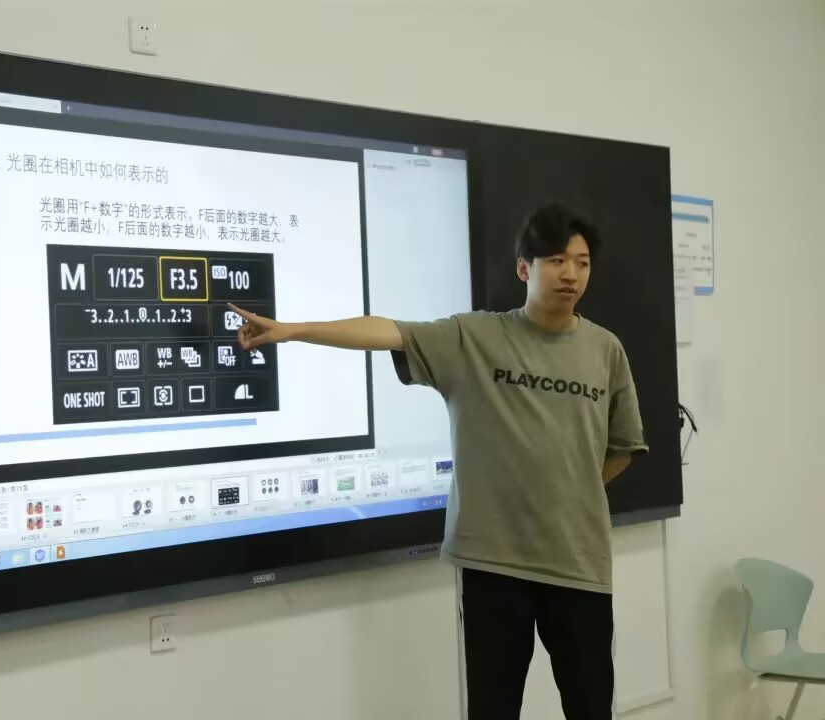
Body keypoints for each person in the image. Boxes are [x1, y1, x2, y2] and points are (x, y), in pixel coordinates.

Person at [228, 203, 647, 720]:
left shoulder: (606, 350)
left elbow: (622, 449)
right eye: (557, 260)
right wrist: (292, 330)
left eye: (582, 263)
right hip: (494, 564)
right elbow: (387, 331)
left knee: (591, 708)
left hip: (579, 564)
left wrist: (569, 492)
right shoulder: (474, 338)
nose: (571, 274)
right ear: (524, 268)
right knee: (492, 709)